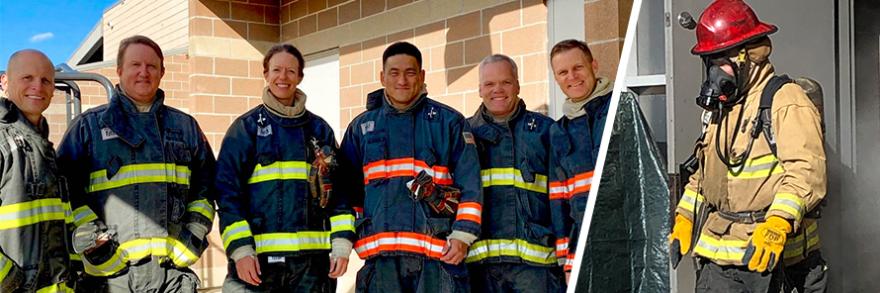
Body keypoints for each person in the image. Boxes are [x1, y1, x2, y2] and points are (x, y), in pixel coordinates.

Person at [668, 1, 827, 292]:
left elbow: (807, 173)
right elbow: (704, 174)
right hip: (719, 259)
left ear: (745, 58)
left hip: (772, 260)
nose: (715, 75)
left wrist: (778, 223)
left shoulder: (785, 100)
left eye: (720, 62)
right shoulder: (723, 109)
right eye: (710, 63)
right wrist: (685, 217)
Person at [56, 35, 217, 292]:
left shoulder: (185, 127)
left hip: (172, 276)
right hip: (111, 278)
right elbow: (65, 193)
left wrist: (193, 235)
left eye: (151, 66)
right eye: (135, 65)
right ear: (119, 70)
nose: (144, 72)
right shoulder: (89, 127)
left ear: (162, 72)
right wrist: (97, 246)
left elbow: (207, 187)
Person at [338, 41, 482, 293]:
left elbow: (471, 185)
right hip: (381, 263)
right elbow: (347, 193)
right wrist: (346, 241)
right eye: (394, 72)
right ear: (382, 77)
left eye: (410, 72)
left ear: (422, 76)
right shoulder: (361, 127)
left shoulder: (449, 122)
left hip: (437, 262)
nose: (402, 80)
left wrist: (463, 236)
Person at [216, 43, 355, 292]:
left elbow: (340, 193)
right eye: (276, 70)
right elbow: (227, 195)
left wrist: (342, 245)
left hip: (313, 267)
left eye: (291, 71)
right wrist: (241, 249)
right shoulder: (245, 130)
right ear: (266, 74)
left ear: (300, 76)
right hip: (259, 264)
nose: (283, 77)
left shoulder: (319, 130)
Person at [464, 54, 564, 292]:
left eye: (505, 82)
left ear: (517, 85)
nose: (497, 89)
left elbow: (562, 198)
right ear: (479, 89)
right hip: (480, 268)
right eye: (489, 84)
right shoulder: (463, 135)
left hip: (536, 270)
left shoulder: (546, 131)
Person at [0, 49, 74, 293]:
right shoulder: (3, 141)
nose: (37, 86)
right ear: (5, 81)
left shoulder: (43, 146)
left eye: (45, 80)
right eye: (27, 78)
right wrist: (8, 281)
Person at [547, 39, 614, 281]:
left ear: (593, 65)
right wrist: (566, 262)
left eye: (578, 68)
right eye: (563, 72)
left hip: (622, 240)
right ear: (556, 78)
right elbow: (560, 202)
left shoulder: (619, 107)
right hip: (583, 251)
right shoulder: (558, 131)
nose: (571, 77)